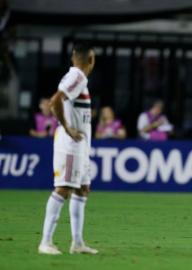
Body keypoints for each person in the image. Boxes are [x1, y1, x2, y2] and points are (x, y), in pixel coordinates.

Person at [38, 43, 98, 255]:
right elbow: (55, 102)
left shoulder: (75, 76)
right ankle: (45, 242)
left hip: (80, 144)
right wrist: (67, 127)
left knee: (82, 189)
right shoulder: (78, 77)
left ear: (74, 57)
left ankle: (77, 243)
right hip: (71, 144)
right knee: (63, 188)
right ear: (91, 60)